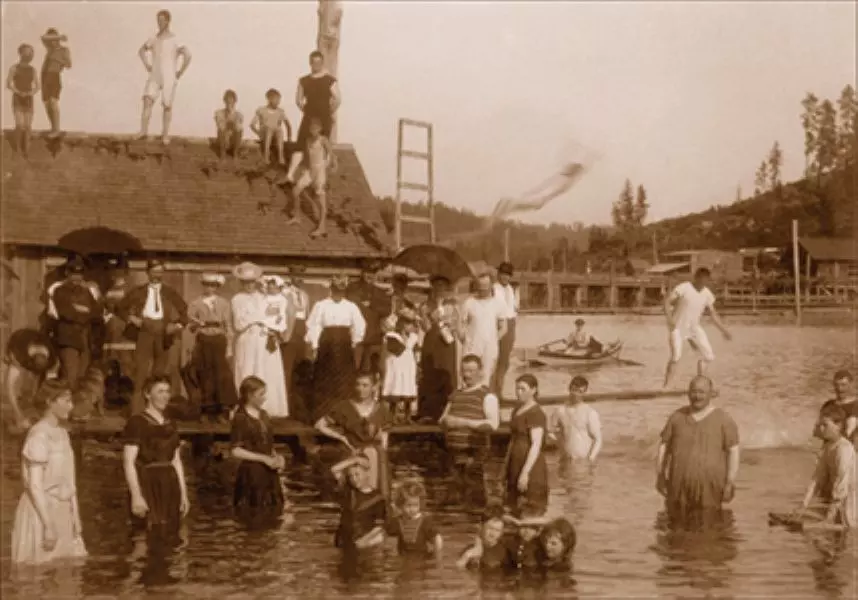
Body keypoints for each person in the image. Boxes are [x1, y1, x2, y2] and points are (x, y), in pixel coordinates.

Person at [10, 380, 87, 565]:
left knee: (67, 574)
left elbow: (70, 480)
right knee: (39, 572)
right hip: (41, 511)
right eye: (66, 400)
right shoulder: (38, 435)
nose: (71, 406)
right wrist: (48, 525)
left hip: (63, 508)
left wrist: (75, 518)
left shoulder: (63, 433)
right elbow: (35, 486)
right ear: (49, 402)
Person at [655, 375, 740, 521]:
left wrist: (730, 482)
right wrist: (660, 476)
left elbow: (733, 451)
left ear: (711, 394)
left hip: (710, 489)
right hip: (678, 487)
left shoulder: (723, 419)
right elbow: (663, 447)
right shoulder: (677, 417)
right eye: (693, 392)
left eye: (702, 392)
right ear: (688, 393)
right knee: (675, 531)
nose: (697, 396)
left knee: (710, 529)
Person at [122, 375, 190, 539]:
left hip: (169, 483)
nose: (165, 396)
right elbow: (128, 462)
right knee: (146, 533)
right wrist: (137, 496)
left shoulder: (170, 423)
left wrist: (184, 493)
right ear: (147, 394)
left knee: (171, 533)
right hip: (148, 482)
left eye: (167, 391)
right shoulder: (137, 422)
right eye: (160, 391)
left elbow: (176, 460)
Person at [118, 259, 188, 415]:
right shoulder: (139, 291)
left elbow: (184, 312)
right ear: (148, 272)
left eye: (160, 271)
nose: (157, 275)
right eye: (154, 271)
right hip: (144, 332)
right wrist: (131, 318)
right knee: (141, 372)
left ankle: (157, 410)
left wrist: (176, 326)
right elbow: (120, 308)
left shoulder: (169, 292)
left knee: (159, 373)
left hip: (163, 333)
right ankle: (137, 412)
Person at [315, 370, 391, 499]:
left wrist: (383, 459)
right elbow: (319, 425)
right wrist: (341, 437)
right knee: (353, 496)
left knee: (376, 496)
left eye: (365, 385)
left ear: (373, 387)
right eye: (358, 385)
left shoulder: (382, 409)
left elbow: (384, 436)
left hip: (375, 458)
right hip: (352, 454)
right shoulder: (344, 407)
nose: (360, 389)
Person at [439, 354, 500, 505]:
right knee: (455, 498)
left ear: (481, 372)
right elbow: (442, 420)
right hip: (453, 454)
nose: (467, 375)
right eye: (464, 371)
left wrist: (462, 422)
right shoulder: (456, 394)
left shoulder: (487, 396)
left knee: (474, 496)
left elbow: (492, 425)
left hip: (474, 454)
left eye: (471, 371)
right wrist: (447, 422)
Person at [230, 262, 289, 419]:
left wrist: (271, 325)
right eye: (245, 282)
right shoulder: (237, 299)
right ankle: (246, 407)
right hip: (248, 339)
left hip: (265, 338)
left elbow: (276, 316)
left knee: (266, 370)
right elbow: (239, 323)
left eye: (251, 282)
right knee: (247, 369)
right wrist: (258, 317)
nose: (249, 285)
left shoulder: (266, 297)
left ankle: (268, 408)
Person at [305, 273, 366, 422]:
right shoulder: (321, 305)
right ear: (331, 289)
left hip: (344, 345)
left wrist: (353, 341)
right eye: (336, 289)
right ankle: (323, 414)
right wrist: (314, 344)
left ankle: (343, 415)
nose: (338, 293)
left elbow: (360, 325)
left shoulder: (351, 307)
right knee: (325, 379)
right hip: (327, 344)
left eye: (342, 290)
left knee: (344, 380)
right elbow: (313, 325)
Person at [663, 267, 732, 388]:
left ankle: (700, 385)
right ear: (696, 278)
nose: (703, 283)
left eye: (706, 281)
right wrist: (669, 319)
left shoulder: (707, 294)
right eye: (701, 280)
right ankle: (666, 386)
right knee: (676, 357)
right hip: (677, 328)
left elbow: (713, 314)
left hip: (694, 328)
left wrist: (724, 330)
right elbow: (667, 302)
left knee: (708, 356)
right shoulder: (684, 288)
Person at [230, 376, 287, 522]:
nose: (264, 398)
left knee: (273, 513)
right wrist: (263, 458)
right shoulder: (241, 418)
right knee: (253, 515)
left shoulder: (264, 415)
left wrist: (277, 458)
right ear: (250, 395)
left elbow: (268, 443)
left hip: (270, 472)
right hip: (252, 473)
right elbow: (235, 450)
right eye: (261, 395)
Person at [793, 403, 856, 528]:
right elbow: (817, 478)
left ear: (838, 426)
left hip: (852, 496)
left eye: (825, 425)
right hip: (841, 496)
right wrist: (803, 504)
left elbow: (842, 481)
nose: (821, 429)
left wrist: (829, 517)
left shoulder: (844, 448)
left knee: (849, 525)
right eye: (820, 425)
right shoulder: (828, 447)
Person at [185, 273, 236, 422]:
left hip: (219, 339)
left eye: (213, 285)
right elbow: (190, 327)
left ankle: (221, 411)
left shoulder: (224, 303)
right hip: (204, 339)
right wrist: (196, 324)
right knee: (205, 374)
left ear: (217, 287)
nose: (210, 288)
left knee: (221, 375)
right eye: (207, 285)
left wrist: (230, 347)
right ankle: (206, 411)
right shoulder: (195, 303)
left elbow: (228, 326)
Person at [285, 50, 341, 184]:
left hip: (324, 118)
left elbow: (338, 99)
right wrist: (306, 111)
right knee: (301, 144)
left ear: (322, 63)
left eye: (319, 62)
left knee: (322, 145)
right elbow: (298, 100)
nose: (316, 65)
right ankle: (290, 174)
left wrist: (329, 111)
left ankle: (319, 177)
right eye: (314, 62)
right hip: (309, 117)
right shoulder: (304, 81)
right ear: (310, 63)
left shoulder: (330, 80)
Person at [138, 9, 192, 144]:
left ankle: (165, 135)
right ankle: (143, 131)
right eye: (158, 20)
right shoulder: (154, 38)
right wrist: (147, 65)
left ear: (168, 21)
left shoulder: (175, 39)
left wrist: (180, 72)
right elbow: (141, 51)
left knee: (167, 105)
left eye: (162, 20)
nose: (160, 23)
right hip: (155, 75)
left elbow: (187, 55)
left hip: (169, 75)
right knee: (147, 100)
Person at [52, 260, 102, 390]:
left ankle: (77, 407)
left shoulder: (86, 291)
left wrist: (80, 309)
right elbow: (65, 313)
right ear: (67, 273)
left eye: (79, 274)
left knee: (82, 376)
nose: (77, 277)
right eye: (73, 273)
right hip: (68, 338)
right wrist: (85, 311)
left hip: (85, 338)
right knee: (70, 376)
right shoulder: (60, 291)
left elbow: (97, 312)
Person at [417, 274, 461, 422]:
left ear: (447, 288)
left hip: (447, 342)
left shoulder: (453, 305)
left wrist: (446, 321)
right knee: (429, 372)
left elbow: (457, 327)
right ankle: (428, 412)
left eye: (442, 286)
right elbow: (425, 327)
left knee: (447, 373)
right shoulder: (425, 305)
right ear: (432, 287)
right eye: (436, 286)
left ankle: (448, 410)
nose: (439, 289)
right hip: (431, 341)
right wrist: (429, 316)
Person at [504, 374, 549, 517]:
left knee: (531, 509)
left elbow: (536, 444)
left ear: (534, 390)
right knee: (512, 508)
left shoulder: (536, 413)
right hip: (515, 463)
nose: (518, 392)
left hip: (531, 467)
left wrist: (525, 472)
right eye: (517, 388)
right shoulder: (517, 409)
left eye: (523, 389)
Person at [284, 117, 334, 239]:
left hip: (320, 171)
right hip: (310, 170)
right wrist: (303, 171)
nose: (313, 130)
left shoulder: (323, 140)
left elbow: (331, 155)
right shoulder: (308, 140)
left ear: (320, 129)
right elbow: (308, 158)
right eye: (311, 128)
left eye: (316, 128)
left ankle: (322, 227)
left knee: (320, 200)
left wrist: (329, 167)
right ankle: (297, 216)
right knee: (295, 191)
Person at [1, 329, 59, 434]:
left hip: (37, 349)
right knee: (11, 385)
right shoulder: (18, 352)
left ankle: (35, 413)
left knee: (43, 390)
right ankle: (19, 413)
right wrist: (18, 414)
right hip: (17, 343)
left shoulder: (52, 359)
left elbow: (50, 385)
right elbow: (9, 386)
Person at [332, 454, 387, 552]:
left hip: (362, 542)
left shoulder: (377, 498)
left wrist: (363, 541)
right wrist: (354, 460)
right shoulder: (348, 490)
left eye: (357, 474)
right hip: (342, 540)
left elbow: (379, 526)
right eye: (351, 476)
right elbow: (334, 469)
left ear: (367, 474)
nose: (354, 479)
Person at [549, 376, 602, 474]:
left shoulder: (590, 413)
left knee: (583, 487)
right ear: (569, 389)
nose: (576, 394)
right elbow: (550, 432)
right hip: (565, 460)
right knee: (566, 487)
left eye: (580, 391)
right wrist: (560, 444)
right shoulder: (560, 411)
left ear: (584, 393)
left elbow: (598, 439)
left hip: (583, 461)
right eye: (574, 390)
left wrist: (591, 459)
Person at [461, 273, 507, 388]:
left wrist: (494, 340)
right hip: (472, 346)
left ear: (491, 285)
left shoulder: (499, 303)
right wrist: (465, 340)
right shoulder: (469, 302)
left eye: (486, 286)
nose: (483, 290)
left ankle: (484, 403)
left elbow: (503, 327)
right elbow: (460, 325)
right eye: (480, 287)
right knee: (469, 377)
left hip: (489, 346)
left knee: (486, 378)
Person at [346, 261, 391, 377]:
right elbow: (349, 304)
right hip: (356, 337)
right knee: (352, 368)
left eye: (373, 273)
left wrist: (372, 304)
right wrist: (362, 305)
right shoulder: (351, 288)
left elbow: (387, 310)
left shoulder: (381, 292)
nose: (370, 275)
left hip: (373, 337)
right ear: (362, 273)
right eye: (367, 272)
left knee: (370, 370)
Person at [281, 267, 311, 422]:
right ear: (290, 276)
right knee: (287, 370)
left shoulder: (305, 295)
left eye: (301, 275)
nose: (299, 278)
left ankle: (298, 407)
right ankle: (284, 408)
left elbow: (307, 316)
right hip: (289, 333)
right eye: (296, 275)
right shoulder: (284, 293)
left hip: (301, 334)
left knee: (300, 372)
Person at [381, 307, 420, 423]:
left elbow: (414, 351)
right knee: (396, 388)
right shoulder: (392, 336)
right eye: (409, 324)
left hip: (408, 366)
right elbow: (397, 350)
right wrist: (404, 337)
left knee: (408, 389)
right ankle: (393, 416)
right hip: (397, 366)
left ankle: (407, 417)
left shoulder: (413, 337)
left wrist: (417, 365)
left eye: (412, 325)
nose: (412, 327)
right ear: (402, 324)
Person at [388, 480, 442, 557]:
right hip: (403, 558)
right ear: (400, 504)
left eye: (416, 505)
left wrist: (437, 554)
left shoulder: (425, 521)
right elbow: (385, 534)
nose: (412, 509)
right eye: (408, 505)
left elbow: (437, 538)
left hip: (422, 558)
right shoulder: (397, 521)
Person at [6, 43, 39, 157]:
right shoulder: (14, 68)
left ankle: (26, 151)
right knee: (19, 125)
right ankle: (17, 149)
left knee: (28, 126)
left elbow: (37, 86)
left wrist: (30, 93)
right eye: (26, 52)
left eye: (31, 52)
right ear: (21, 53)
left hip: (29, 99)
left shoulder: (32, 70)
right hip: (18, 99)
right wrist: (18, 92)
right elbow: (8, 84)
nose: (29, 55)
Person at [456, 505, 512, 571]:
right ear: (481, 527)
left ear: (502, 532)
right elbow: (457, 572)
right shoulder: (470, 550)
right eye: (490, 528)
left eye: (497, 530)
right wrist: (466, 556)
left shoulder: (507, 552)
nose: (492, 534)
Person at [492, 262, 519, 398]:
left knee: (505, 360)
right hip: (498, 323)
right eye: (503, 274)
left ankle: (499, 390)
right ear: (498, 274)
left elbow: (514, 308)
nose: (505, 277)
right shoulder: (493, 289)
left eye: (508, 275)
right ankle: (493, 391)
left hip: (511, 323)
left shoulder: (511, 289)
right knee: (495, 358)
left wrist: (514, 322)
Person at [40, 28, 72, 139]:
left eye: (55, 39)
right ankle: (53, 128)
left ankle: (57, 129)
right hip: (44, 76)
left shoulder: (63, 50)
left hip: (54, 75)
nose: (52, 42)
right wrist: (58, 37)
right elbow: (43, 38)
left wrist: (57, 60)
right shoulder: (49, 48)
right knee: (47, 103)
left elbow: (69, 65)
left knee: (53, 102)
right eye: (51, 40)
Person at [250, 88, 292, 165]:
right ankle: (266, 157)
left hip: (275, 133)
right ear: (269, 99)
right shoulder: (262, 110)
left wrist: (289, 137)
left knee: (279, 129)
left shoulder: (280, 111)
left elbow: (288, 124)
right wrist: (258, 133)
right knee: (269, 129)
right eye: (276, 99)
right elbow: (252, 124)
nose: (278, 102)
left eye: (279, 100)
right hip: (265, 132)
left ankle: (281, 156)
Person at [820, 370, 857, 445]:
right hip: (828, 449)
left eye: (843, 385)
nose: (840, 389)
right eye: (837, 385)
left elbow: (849, 432)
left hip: (848, 450)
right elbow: (819, 430)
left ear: (851, 385)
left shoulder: (856, 405)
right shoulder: (828, 405)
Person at [214, 89, 243, 159]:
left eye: (231, 100)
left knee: (239, 127)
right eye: (228, 100)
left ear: (235, 102)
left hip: (233, 141)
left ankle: (235, 153)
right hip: (223, 141)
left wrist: (232, 113)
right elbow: (220, 125)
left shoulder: (239, 114)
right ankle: (222, 153)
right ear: (224, 101)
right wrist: (227, 116)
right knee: (221, 127)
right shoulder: (218, 112)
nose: (229, 102)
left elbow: (238, 126)